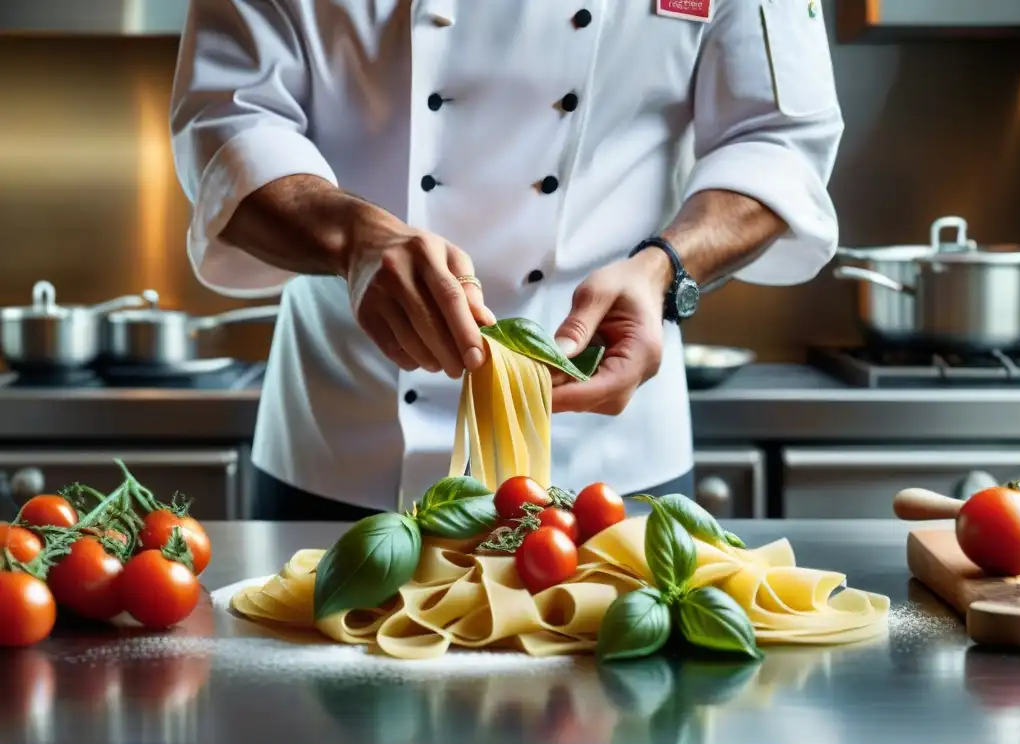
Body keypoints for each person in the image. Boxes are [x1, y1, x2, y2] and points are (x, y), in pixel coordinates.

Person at [170, 0, 842, 521]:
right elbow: (229, 121)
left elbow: (779, 140)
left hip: (611, 459)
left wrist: (664, 268)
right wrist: (354, 239)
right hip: (344, 443)